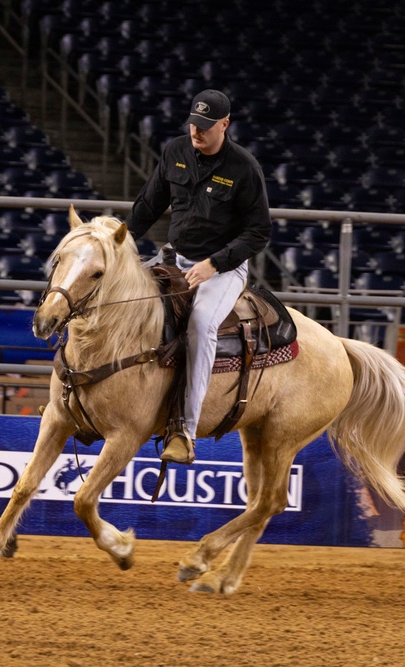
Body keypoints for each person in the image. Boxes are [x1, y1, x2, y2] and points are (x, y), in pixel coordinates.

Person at [126, 89, 272, 465]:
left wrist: (214, 264)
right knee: (121, 299)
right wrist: (120, 242)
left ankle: (184, 431)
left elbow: (258, 232)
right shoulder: (175, 151)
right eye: (194, 123)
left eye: (206, 126)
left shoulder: (244, 167)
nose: (197, 131)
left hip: (222, 268)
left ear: (225, 124)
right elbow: (149, 204)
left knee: (201, 324)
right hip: (174, 257)